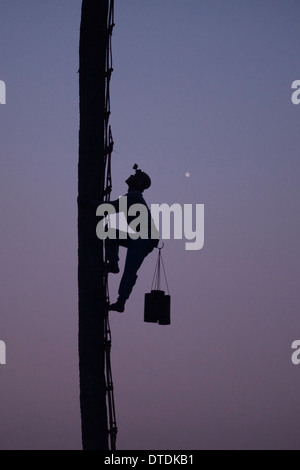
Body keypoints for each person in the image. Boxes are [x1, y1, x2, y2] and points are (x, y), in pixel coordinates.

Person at [105, 166, 159, 313]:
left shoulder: (133, 197)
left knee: (130, 268)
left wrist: (90, 203)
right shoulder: (134, 197)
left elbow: (111, 208)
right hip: (142, 237)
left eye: (135, 176)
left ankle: (121, 301)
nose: (131, 176)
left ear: (138, 183)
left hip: (143, 238)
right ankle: (113, 264)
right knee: (111, 233)